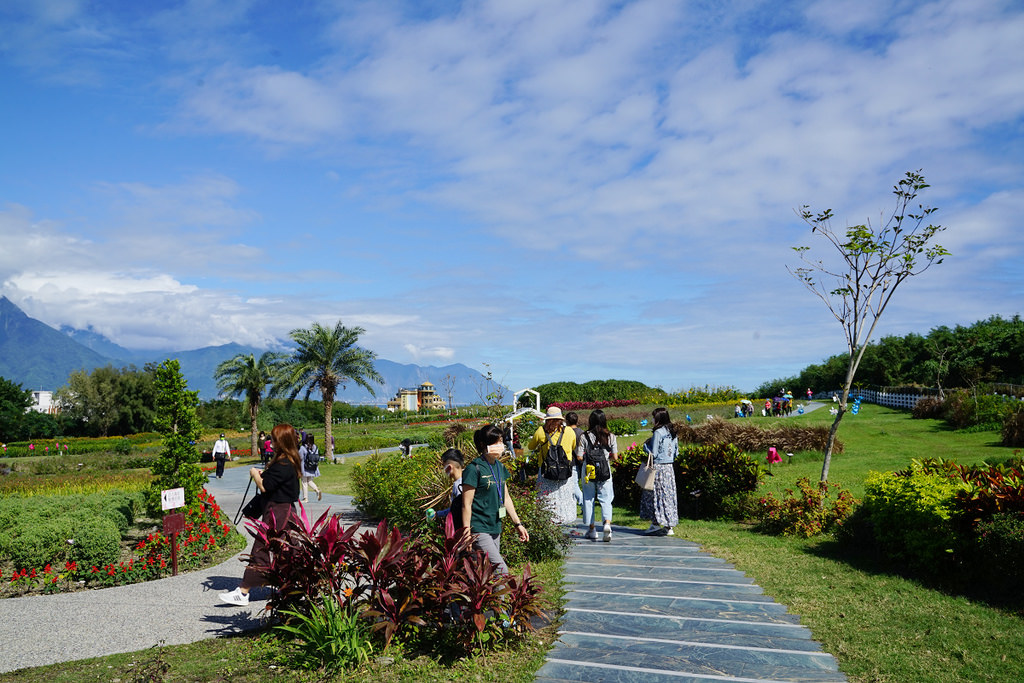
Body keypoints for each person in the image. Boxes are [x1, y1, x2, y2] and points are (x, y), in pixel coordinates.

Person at [219, 423, 301, 606]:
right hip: (284, 511)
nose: (270, 441)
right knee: (284, 549)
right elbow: (274, 482)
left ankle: (243, 591)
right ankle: (289, 588)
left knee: (262, 548)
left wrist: (254, 473)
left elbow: (264, 486)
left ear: (281, 441)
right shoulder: (290, 461)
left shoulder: (283, 463)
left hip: (278, 512)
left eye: (273, 438)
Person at [461, 425, 529, 575]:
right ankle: (503, 599)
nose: (500, 446)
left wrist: (518, 524)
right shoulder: (474, 469)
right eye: (496, 443)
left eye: (501, 442)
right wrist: (466, 532)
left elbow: (505, 497)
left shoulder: (500, 467)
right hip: (479, 527)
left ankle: (491, 598)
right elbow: (466, 504)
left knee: (488, 572)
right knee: (501, 570)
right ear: (483, 445)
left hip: (495, 525)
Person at [528, 407, 578, 525]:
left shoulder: (541, 431)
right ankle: (565, 519)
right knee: (565, 496)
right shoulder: (569, 431)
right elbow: (573, 446)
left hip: (547, 470)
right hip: (565, 470)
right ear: (560, 419)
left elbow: (531, 447)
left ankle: (548, 521)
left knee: (546, 497)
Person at [576, 409, 618, 542]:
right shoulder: (611, 436)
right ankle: (607, 524)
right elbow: (615, 457)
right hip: (605, 471)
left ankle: (592, 529)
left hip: (588, 471)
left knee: (589, 498)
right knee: (606, 498)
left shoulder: (584, 436)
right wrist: (605, 459)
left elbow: (579, 456)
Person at [640, 407, 679, 536]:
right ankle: (669, 525)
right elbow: (676, 453)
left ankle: (655, 523)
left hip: (659, 468)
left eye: (653, 417)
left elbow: (654, 453)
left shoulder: (658, 433)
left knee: (656, 496)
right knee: (668, 495)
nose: (652, 419)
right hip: (669, 468)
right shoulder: (672, 432)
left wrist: (646, 447)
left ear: (658, 419)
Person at [434, 448, 465, 529]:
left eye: (444, 466)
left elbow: (457, 509)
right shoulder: (467, 479)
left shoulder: (458, 485)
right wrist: (438, 514)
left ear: (449, 466)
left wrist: (437, 514)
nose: (443, 470)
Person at [564, 411, 585, 506]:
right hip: (582, 461)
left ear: (567, 421)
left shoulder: (567, 433)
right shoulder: (582, 432)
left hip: (572, 462)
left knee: (574, 486)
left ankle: (583, 504)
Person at [299, 434, 322, 503]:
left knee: (304, 482)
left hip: (304, 467)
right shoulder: (315, 447)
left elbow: (300, 456)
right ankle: (317, 490)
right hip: (312, 466)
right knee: (309, 480)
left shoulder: (303, 448)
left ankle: (305, 498)